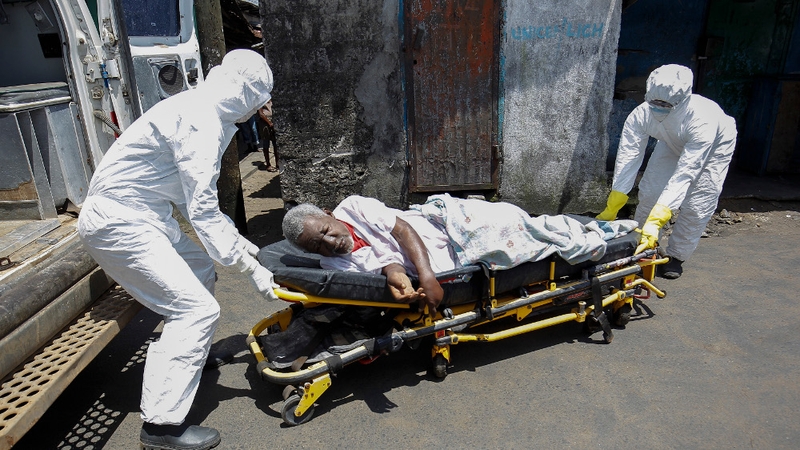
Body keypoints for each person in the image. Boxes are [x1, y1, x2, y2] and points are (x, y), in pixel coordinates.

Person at [77, 49, 279, 450]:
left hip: (145, 215)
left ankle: (191, 357)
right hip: (120, 223)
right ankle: (161, 427)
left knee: (202, 269)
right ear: (244, 93)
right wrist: (254, 271)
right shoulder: (201, 120)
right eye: (257, 101)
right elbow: (202, 211)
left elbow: (194, 202)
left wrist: (246, 248)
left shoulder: (205, 112)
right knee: (195, 310)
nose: (257, 111)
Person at [282, 194, 637, 312]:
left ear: (329, 215)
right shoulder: (335, 261)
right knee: (528, 242)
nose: (329, 243)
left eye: (326, 232)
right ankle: (578, 231)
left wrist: (429, 278)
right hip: (449, 253)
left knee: (518, 223)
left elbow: (403, 232)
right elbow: (385, 262)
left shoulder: (354, 206)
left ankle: (597, 231)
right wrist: (399, 280)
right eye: (316, 246)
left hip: (448, 223)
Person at [597, 64, 737, 279]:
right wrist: (615, 200)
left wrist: (658, 219)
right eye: (655, 102)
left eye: (666, 104)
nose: (659, 107)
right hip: (671, 142)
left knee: (698, 203)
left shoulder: (701, 120)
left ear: (682, 99)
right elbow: (629, 156)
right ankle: (643, 248)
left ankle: (676, 256)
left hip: (713, 147)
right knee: (651, 191)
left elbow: (685, 173)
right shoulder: (642, 114)